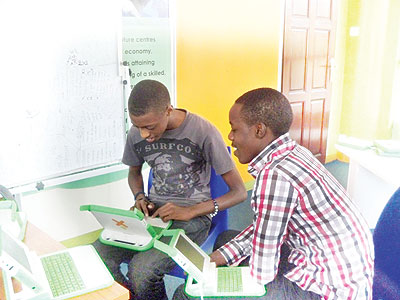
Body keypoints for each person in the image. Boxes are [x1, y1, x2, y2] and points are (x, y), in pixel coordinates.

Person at [173, 88, 374, 300]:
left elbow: (262, 272)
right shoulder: (294, 152)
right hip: (338, 266)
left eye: (235, 129)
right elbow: (265, 226)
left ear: (259, 130)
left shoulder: (275, 176)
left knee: (187, 295)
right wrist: (217, 258)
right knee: (225, 241)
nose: (230, 137)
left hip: (329, 288)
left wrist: (221, 283)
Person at [93, 79, 247, 300]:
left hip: (192, 220)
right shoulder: (137, 132)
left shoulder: (203, 131)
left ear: (168, 110)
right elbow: (134, 173)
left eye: (150, 127)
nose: (144, 134)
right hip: (153, 216)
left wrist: (191, 211)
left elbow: (239, 192)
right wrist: (139, 197)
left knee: (142, 272)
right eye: (138, 127)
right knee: (99, 254)